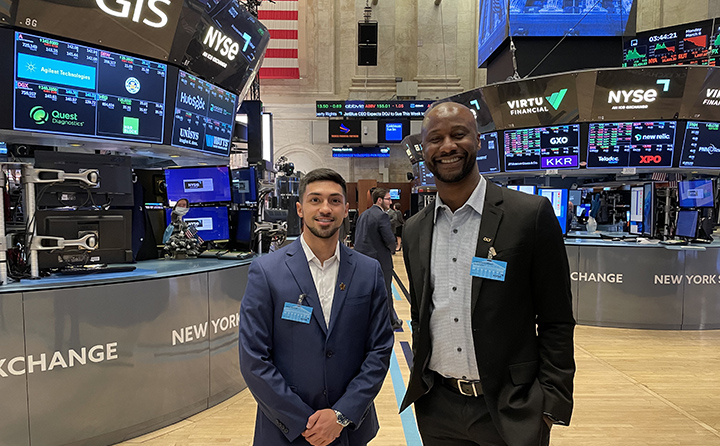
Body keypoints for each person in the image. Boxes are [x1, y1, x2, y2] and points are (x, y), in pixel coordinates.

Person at [399, 102, 576, 446]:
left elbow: (556, 318)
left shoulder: (529, 215)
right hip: (438, 407)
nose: (447, 146)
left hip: (511, 408)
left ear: (478, 141)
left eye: (458, 134)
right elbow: (422, 313)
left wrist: (550, 403)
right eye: (435, 138)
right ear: (424, 150)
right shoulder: (414, 230)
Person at [238, 168, 394, 446]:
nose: (325, 208)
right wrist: (301, 421)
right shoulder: (266, 271)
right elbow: (254, 358)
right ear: (299, 208)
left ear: (346, 209)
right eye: (315, 200)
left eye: (334, 201)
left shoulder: (368, 271)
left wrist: (341, 415)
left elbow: (379, 349)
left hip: (349, 429)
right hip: (284, 429)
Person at [353, 187, 403, 330]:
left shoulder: (364, 214)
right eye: (388, 199)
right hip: (379, 260)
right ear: (380, 200)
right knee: (385, 290)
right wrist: (394, 248)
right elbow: (388, 239)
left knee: (365, 291)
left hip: (361, 260)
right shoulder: (382, 216)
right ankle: (390, 321)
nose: (390, 201)